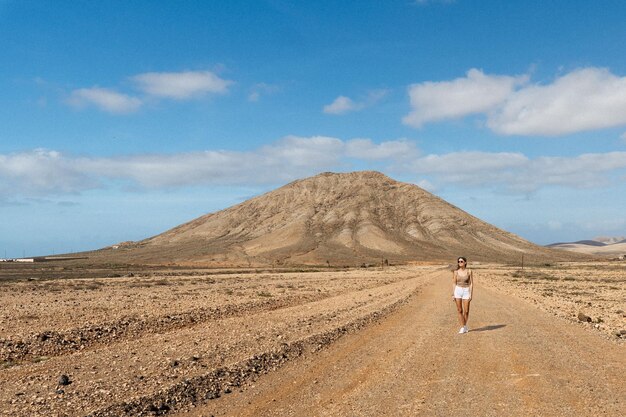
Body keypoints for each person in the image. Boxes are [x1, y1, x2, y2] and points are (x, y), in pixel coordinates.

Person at [452, 256, 473, 334]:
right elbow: (454, 283)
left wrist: (471, 294)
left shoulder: (469, 271)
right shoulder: (455, 272)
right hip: (458, 290)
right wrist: (453, 294)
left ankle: (464, 325)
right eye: (459, 261)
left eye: (461, 261)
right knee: (460, 310)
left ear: (465, 262)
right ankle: (463, 327)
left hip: (466, 290)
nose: (460, 263)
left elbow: (471, 283)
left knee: (466, 311)